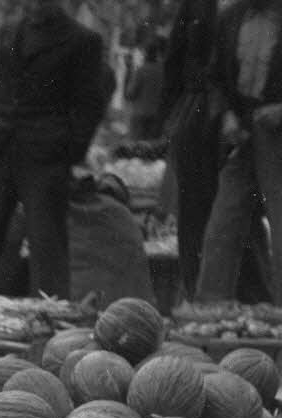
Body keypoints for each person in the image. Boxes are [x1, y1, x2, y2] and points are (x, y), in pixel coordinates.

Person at [0, 0, 107, 300]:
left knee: (47, 243)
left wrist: (69, 151)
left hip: (46, 155)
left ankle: (49, 319)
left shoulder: (83, 40)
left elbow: (90, 104)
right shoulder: (10, 30)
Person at [160, 0, 272, 302]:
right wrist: (221, 114)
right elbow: (191, 65)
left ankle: (261, 306)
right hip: (217, 126)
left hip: (266, 128)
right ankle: (206, 308)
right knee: (210, 222)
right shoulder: (214, 10)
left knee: (257, 224)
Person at [194, 0, 282, 304]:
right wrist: (227, 114)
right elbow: (216, 76)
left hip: (277, 136)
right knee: (223, 222)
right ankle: (209, 311)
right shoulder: (232, 16)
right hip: (243, 133)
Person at [124, 34, 165, 140]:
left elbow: (130, 94)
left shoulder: (141, 70)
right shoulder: (162, 71)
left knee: (135, 149)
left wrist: (128, 71)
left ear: (145, 53)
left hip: (139, 116)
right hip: (156, 116)